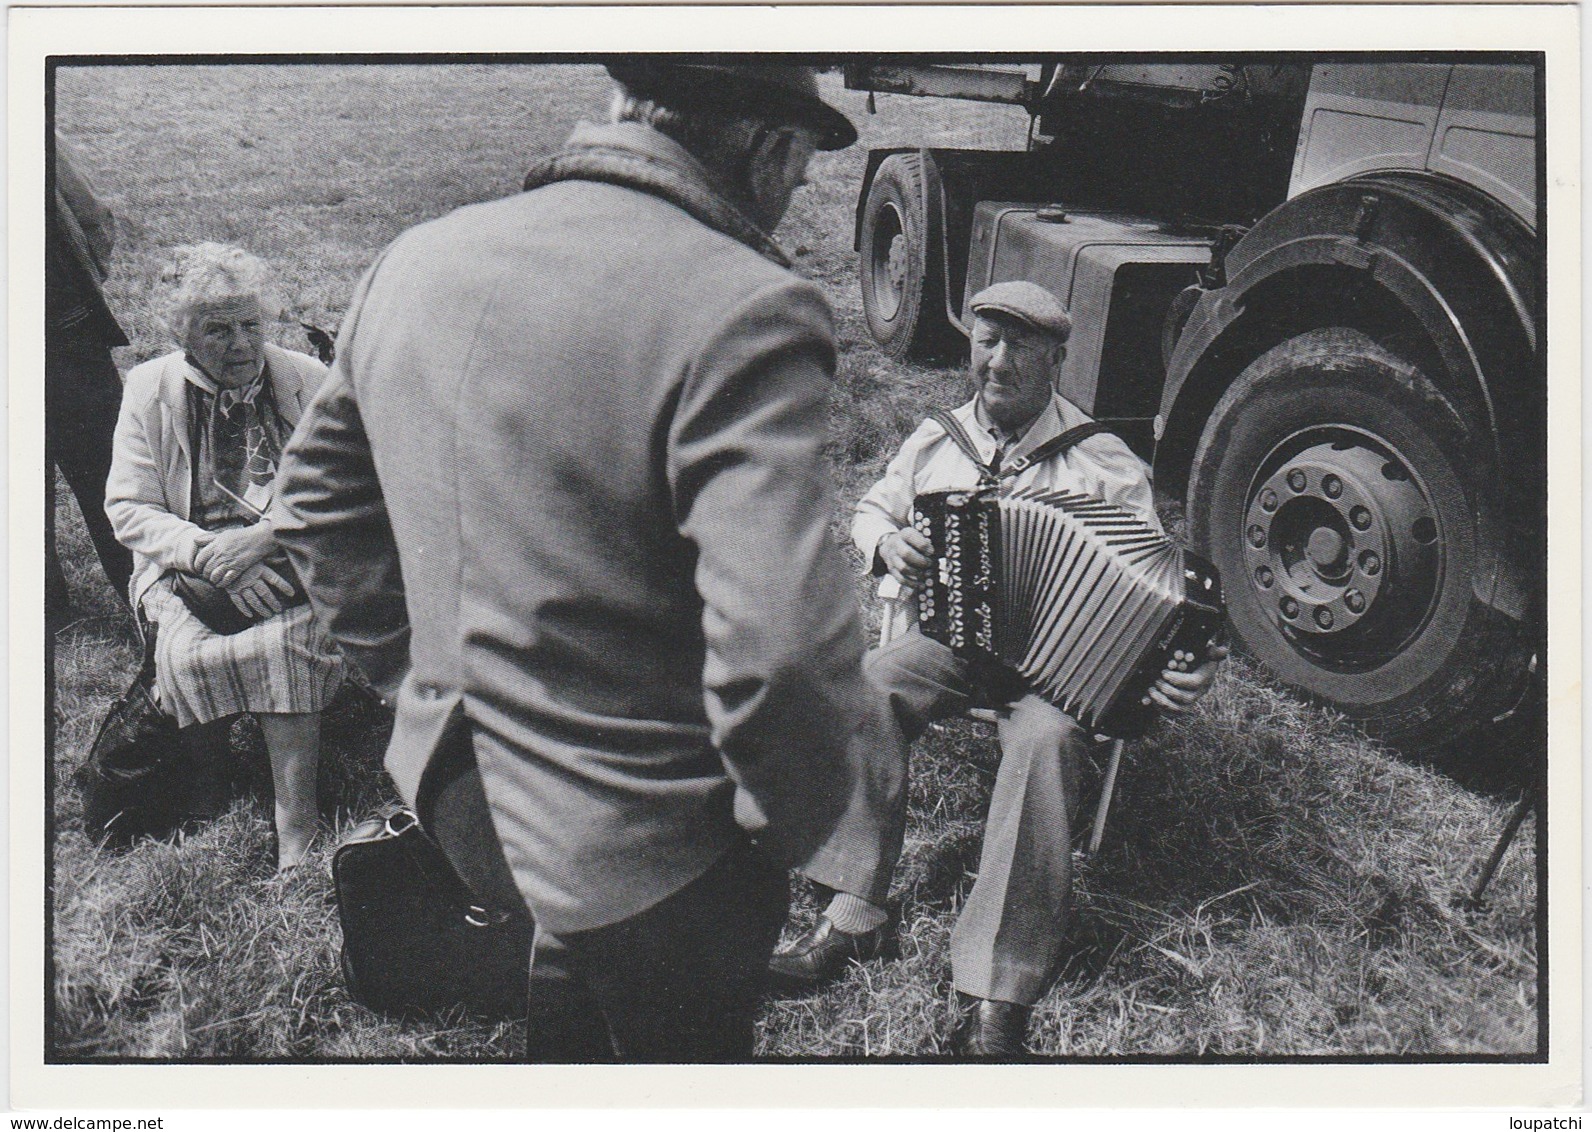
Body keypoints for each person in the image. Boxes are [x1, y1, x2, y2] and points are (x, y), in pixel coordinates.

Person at [272, 63, 891, 1061]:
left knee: (573, 1003)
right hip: (654, 843)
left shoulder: (416, 258)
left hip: (460, 799)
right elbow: (781, 651)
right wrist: (779, 836)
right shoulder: (746, 305)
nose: (791, 196)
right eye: (800, 173)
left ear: (623, 103)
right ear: (771, 148)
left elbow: (312, 509)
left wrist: (414, 673)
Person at [769, 280, 1226, 1056]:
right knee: (871, 682)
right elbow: (874, 508)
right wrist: (889, 544)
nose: (999, 362)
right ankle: (853, 914)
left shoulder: (1103, 461)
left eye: (1021, 346)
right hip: (957, 643)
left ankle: (995, 988)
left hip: (1060, 676)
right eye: (987, 341)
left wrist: (1185, 665)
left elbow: (1163, 594)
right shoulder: (938, 439)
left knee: (1044, 746)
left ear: (1057, 356)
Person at [105, 243, 344, 871]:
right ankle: (209, 788)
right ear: (181, 334)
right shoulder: (149, 389)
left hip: (294, 555)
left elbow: (347, 487)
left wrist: (264, 542)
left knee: (286, 639)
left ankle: (296, 816)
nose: (241, 344)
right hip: (190, 567)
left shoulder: (304, 379)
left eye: (250, 324)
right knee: (187, 650)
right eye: (218, 329)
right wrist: (211, 557)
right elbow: (128, 508)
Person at [49, 133, 134, 615]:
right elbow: (95, 220)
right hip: (68, 327)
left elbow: (93, 219)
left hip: (66, 330)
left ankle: (142, 590)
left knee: (110, 468)